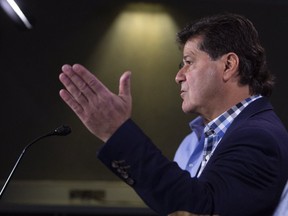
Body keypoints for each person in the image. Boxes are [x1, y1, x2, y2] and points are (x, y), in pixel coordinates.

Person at [58, 13, 288, 216]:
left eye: (189, 62)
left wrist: (117, 133)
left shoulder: (258, 137)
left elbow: (200, 208)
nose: (179, 76)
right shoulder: (192, 142)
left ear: (228, 65)